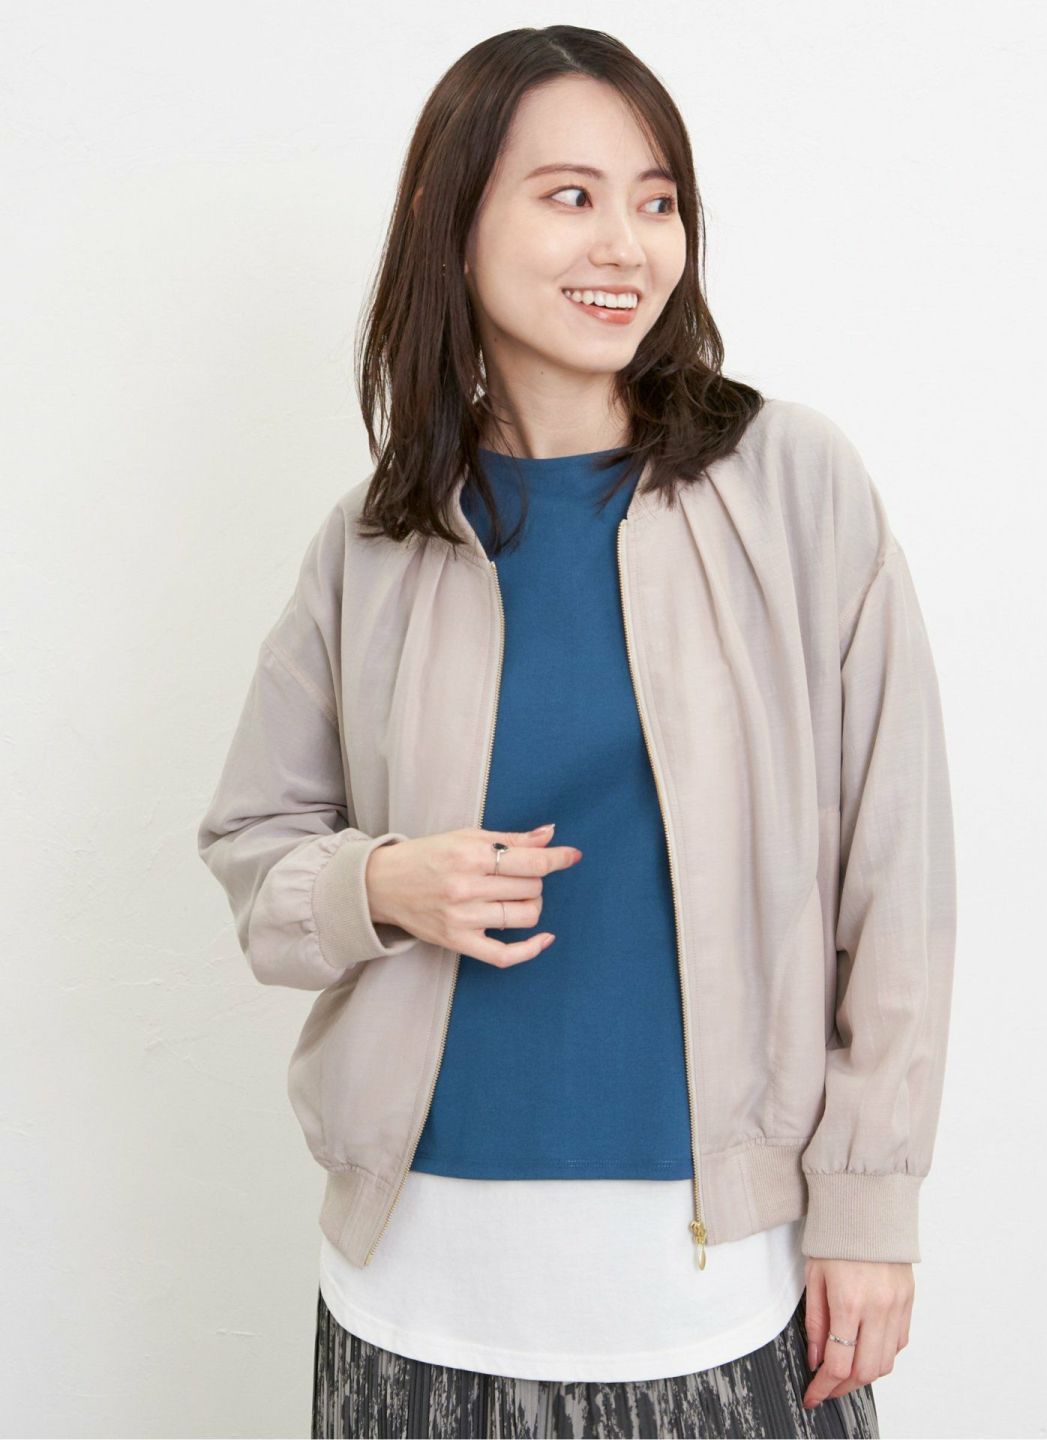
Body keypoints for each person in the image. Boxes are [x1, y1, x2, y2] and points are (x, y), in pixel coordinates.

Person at [197, 24, 956, 1440]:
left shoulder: (793, 486)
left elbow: (895, 873)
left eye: (657, 200)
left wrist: (871, 1205)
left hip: (719, 1282)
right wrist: (382, 882)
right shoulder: (374, 541)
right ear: (454, 218)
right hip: (415, 1282)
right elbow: (253, 843)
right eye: (570, 195)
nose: (626, 244)